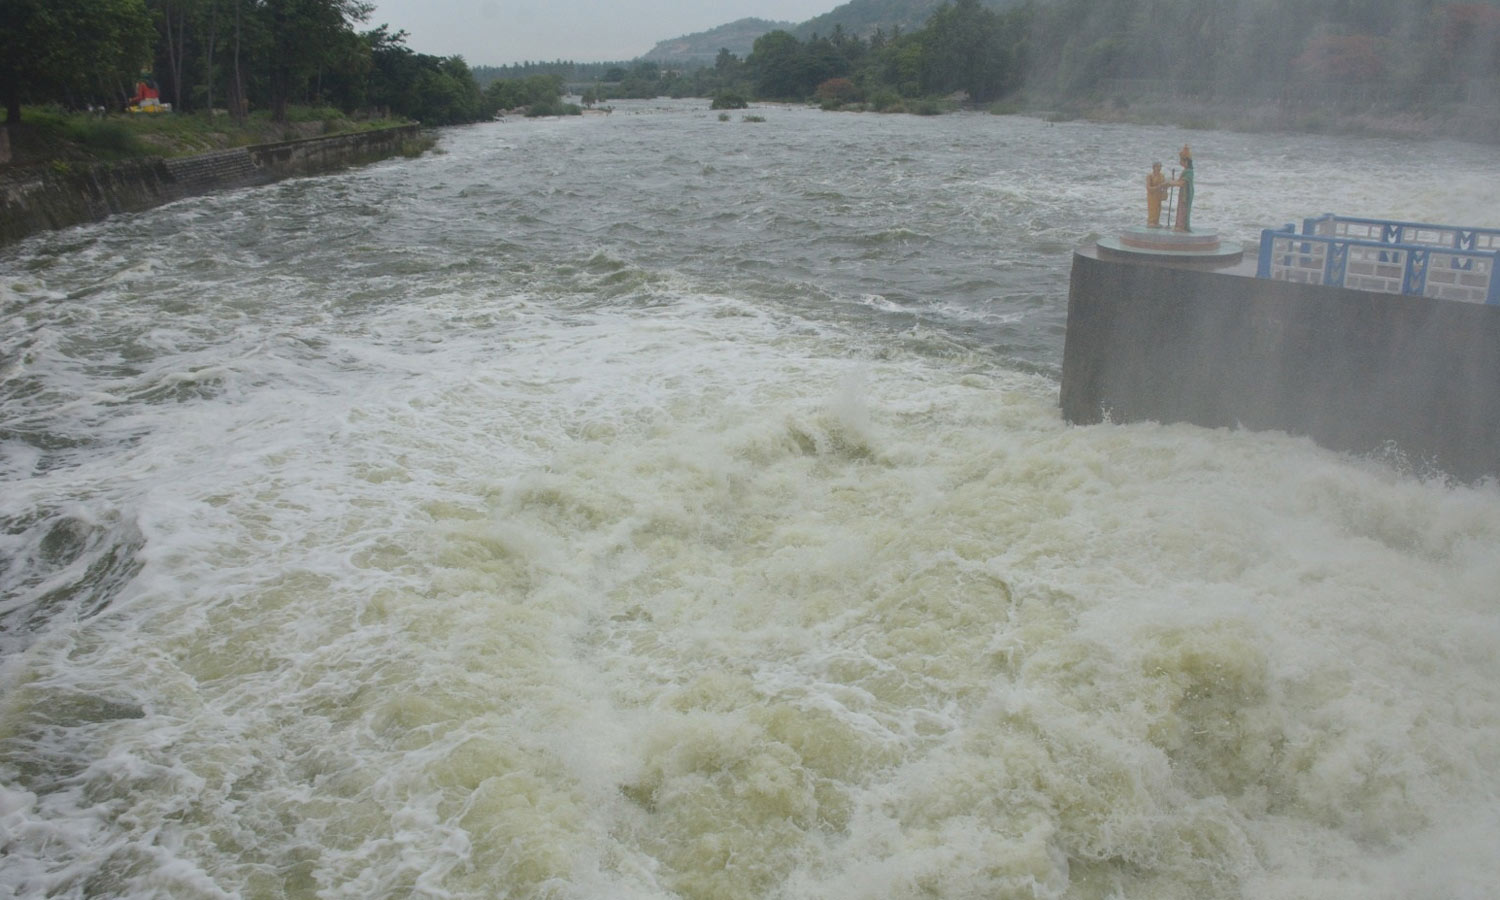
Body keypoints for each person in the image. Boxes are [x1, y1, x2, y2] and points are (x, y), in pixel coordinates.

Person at [1161, 145, 1195, 232]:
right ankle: (1179, 225)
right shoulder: (1186, 171)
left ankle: (1182, 226)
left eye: (1181, 160)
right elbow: (1179, 182)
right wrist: (1171, 183)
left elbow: (1181, 183)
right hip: (1183, 193)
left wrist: (1170, 183)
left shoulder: (1189, 172)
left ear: (1186, 161)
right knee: (1180, 208)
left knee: (1183, 209)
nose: (1180, 162)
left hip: (1186, 193)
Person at [1145, 162, 1168, 227]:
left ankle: (1156, 222)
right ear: (1153, 168)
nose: (1159, 168)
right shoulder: (1150, 176)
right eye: (1157, 167)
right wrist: (1158, 187)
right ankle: (1151, 222)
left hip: (1158, 194)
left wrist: (1165, 190)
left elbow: (1164, 185)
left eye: (1160, 167)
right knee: (1152, 208)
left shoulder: (1162, 175)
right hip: (1152, 195)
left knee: (1158, 208)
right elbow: (1148, 187)